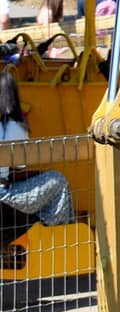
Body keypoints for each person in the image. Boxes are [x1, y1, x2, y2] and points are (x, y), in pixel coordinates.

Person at [0, 73, 75, 228]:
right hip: (4, 196)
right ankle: (55, 230)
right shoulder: (14, 127)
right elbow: (19, 169)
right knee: (58, 180)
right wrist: (39, 173)